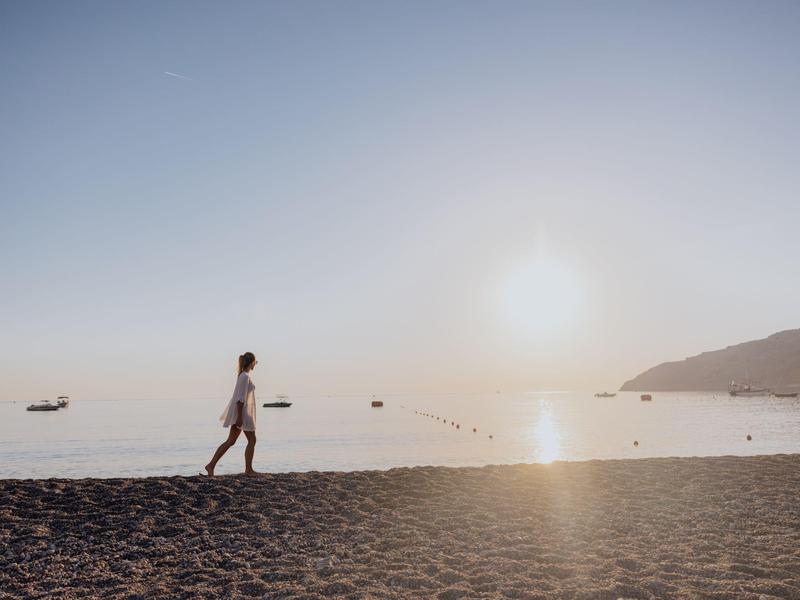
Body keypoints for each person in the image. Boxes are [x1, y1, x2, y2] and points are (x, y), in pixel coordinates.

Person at [202, 352, 259, 477]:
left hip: (242, 413)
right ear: (252, 362)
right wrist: (239, 417)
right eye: (256, 362)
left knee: (231, 441)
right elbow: (240, 398)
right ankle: (248, 469)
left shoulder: (243, 375)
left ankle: (211, 465)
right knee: (252, 440)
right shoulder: (244, 376)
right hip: (243, 414)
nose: (256, 364)